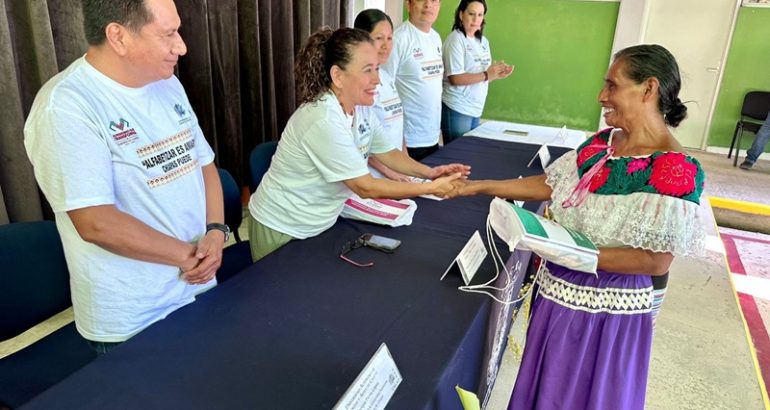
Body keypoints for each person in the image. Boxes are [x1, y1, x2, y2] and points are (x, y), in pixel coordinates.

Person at [451, 44, 706, 409]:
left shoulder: (675, 170)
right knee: (546, 391)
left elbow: (655, 262)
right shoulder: (604, 145)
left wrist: (575, 252)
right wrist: (477, 186)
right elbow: (552, 184)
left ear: (648, 89)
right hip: (557, 299)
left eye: (612, 86)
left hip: (606, 316)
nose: (602, 96)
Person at [24, 0, 226, 353]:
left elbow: (203, 164)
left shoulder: (166, 83)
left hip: (196, 284)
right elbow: (96, 222)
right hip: (135, 316)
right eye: (168, 34)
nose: (181, 46)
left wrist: (215, 231)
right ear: (118, 36)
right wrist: (188, 256)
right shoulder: (67, 107)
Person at [247, 27, 470, 262]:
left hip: (318, 222)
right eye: (367, 71)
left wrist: (430, 173)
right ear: (338, 76)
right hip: (282, 227)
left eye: (376, 68)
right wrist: (429, 189)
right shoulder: (323, 118)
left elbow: (387, 152)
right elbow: (365, 187)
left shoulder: (360, 109)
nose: (377, 79)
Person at [441, 0, 512, 144]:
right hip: (457, 107)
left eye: (480, 15)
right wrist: (487, 75)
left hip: (476, 108)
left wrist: (496, 73)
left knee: (468, 156)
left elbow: (481, 77)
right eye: (471, 14)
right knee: (457, 157)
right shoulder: (455, 40)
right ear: (461, 15)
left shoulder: (483, 42)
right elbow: (455, 78)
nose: (476, 19)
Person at [382, 0, 444, 161]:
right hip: (408, 140)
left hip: (432, 135)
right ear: (408, 5)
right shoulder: (398, 39)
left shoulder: (436, 38)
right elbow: (383, 87)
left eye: (434, 1)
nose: (428, 5)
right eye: (422, 0)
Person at [354, 9, 407, 181]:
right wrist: (392, 173)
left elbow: (398, 124)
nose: (386, 45)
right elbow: (358, 139)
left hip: (397, 174)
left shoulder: (386, 76)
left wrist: (406, 166)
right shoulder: (358, 83)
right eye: (379, 38)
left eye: (390, 38)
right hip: (376, 178)